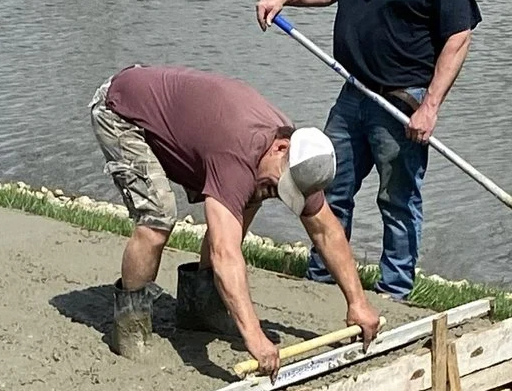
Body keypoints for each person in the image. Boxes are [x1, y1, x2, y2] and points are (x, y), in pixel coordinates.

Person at [254, 0, 480, 299]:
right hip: (353, 90)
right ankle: (324, 277)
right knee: (322, 184)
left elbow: (459, 36)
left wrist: (430, 105)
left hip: (403, 103)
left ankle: (394, 291)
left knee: (397, 201)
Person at [89, 64, 381, 374]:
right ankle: (131, 325)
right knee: (158, 217)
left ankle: (200, 310)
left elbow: (326, 232)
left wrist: (357, 302)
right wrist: (254, 336)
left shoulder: (300, 163)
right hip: (121, 111)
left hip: (186, 123)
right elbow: (225, 252)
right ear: (281, 148)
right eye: (281, 186)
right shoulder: (237, 154)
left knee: (253, 193)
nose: (279, 193)